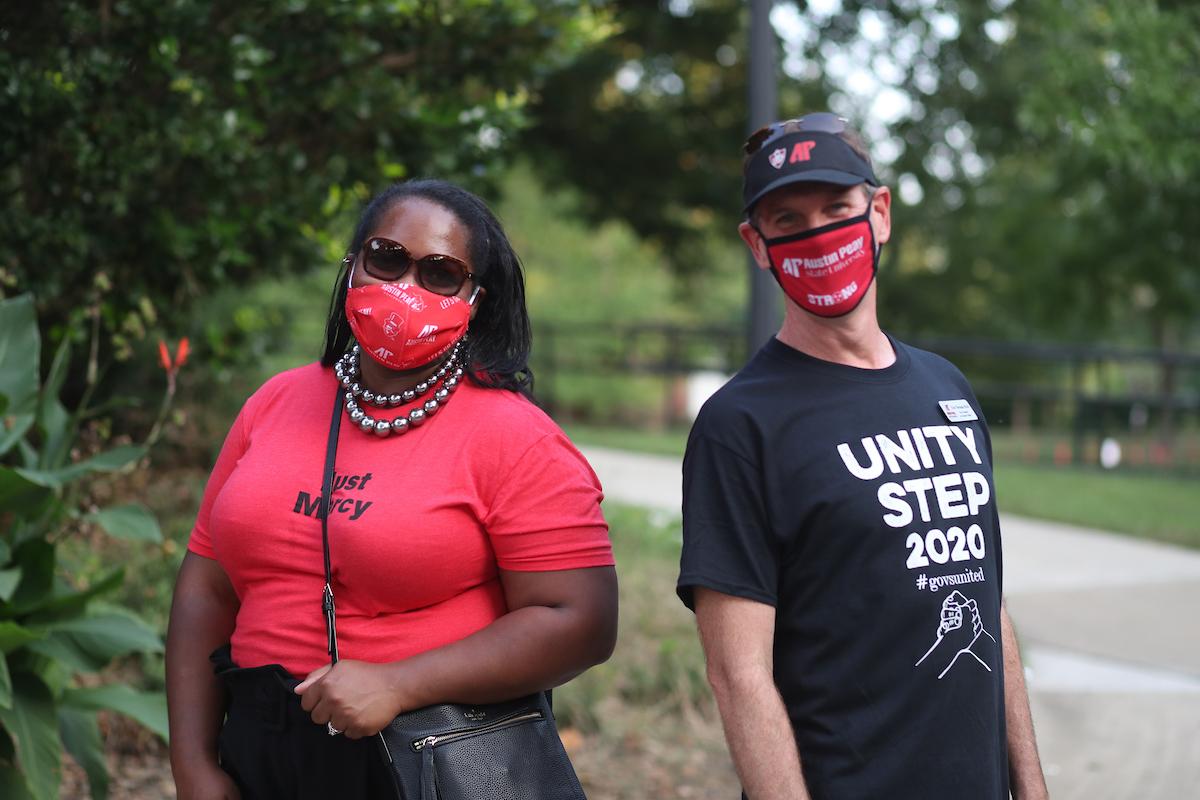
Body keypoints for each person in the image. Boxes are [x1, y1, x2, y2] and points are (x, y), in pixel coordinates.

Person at [166, 179, 618, 799]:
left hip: (432, 755)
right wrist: (192, 760)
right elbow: (206, 589)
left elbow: (582, 620)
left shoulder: (517, 436)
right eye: (387, 258)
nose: (407, 286)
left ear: (475, 299)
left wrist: (400, 683)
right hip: (261, 747)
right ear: (353, 267)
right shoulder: (274, 402)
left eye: (440, 273)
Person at [676, 113, 1049, 799]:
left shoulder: (948, 389)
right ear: (757, 244)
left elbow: (989, 606)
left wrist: (1031, 786)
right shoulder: (740, 426)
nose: (817, 235)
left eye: (836, 209)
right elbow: (738, 676)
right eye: (788, 220)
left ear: (879, 213)